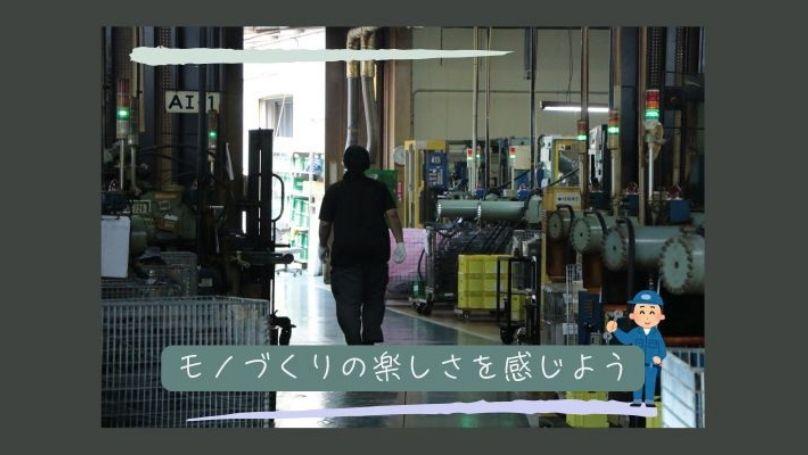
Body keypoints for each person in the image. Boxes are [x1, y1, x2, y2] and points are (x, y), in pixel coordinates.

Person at [318, 145, 406, 345]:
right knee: (374, 299)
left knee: (347, 301)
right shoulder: (379, 189)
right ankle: (370, 334)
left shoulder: (335, 191)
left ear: (344, 164)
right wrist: (400, 242)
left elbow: (325, 224)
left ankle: (353, 339)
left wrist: (322, 245)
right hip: (376, 256)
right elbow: (392, 215)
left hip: (346, 258)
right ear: (367, 164)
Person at [605, 290, 667, 407]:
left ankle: (649, 401)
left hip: (651, 366)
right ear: (633, 315)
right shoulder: (635, 332)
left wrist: (660, 357)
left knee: (650, 383)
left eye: (652, 312)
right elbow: (626, 339)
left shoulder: (656, 335)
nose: (647, 317)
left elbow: (662, 349)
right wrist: (615, 330)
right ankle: (637, 400)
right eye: (642, 312)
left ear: (660, 316)